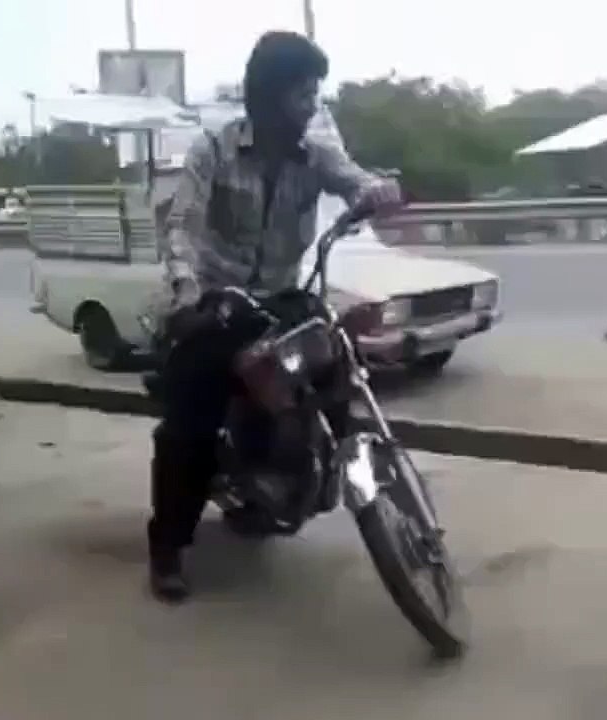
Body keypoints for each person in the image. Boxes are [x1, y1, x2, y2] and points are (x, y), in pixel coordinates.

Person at [147, 30, 404, 603]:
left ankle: (300, 472)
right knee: (189, 423)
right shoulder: (213, 151)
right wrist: (189, 292)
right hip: (218, 300)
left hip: (283, 298)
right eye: (301, 93)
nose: (312, 105)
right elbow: (181, 226)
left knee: (339, 360)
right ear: (266, 97)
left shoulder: (315, 154)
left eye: (315, 93)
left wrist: (376, 191)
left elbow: (354, 178)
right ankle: (168, 547)